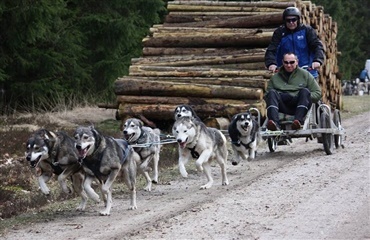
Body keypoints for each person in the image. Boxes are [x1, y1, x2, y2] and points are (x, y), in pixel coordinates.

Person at [265, 52, 322, 131]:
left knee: (305, 91)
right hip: (282, 105)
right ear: (282, 62)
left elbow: (317, 93)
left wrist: (305, 97)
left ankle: (297, 122)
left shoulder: (306, 75)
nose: (289, 65)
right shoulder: (275, 78)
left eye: (292, 62)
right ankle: (274, 124)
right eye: (286, 62)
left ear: (297, 62)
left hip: (300, 105)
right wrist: (281, 95)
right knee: (271, 93)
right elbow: (267, 95)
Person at [265, 7, 325, 78]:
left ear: (298, 20)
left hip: (307, 72)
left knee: (312, 89)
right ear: (284, 21)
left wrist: (317, 60)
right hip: (285, 73)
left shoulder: (307, 30)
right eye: (288, 20)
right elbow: (272, 50)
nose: (291, 23)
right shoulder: (279, 33)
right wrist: (271, 63)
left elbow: (317, 46)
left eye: (293, 20)